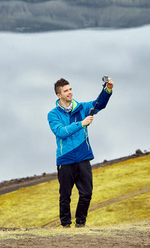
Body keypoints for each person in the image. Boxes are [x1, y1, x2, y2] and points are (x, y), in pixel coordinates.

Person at [47, 77, 113, 228]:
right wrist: (81, 123)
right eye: (66, 91)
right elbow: (61, 132)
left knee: (87, 194)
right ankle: (65, 226)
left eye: (70, 89)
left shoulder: (82, 107)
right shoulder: (53, 115)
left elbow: (99, 104)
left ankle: (80, 224)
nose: (70, 93)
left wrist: (108, 89)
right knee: (65, 197)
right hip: (65, 160)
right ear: (59, 95)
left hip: (83, 157)